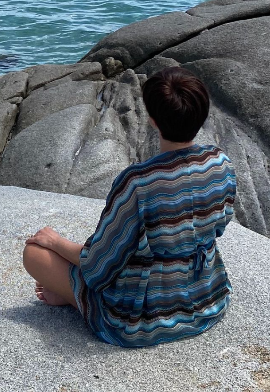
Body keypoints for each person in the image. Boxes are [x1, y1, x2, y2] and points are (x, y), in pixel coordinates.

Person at [22, 66, 236, 347]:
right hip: (206, 298)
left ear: (153, 121)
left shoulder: (138, 182)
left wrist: (56, 241)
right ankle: (71, 294)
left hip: (143, 319)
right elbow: (219, 225)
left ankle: (76, 300)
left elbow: (99, 265)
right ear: (202, 115)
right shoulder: (220, 162)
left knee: (34, 253)